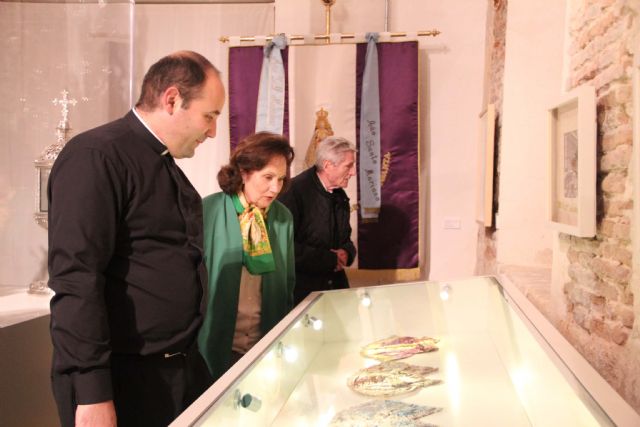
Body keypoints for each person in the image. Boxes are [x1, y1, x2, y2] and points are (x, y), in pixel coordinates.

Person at [48, 51, 225, 427]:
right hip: (124, 379)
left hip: (175, 369)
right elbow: (77, 279)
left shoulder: (162, 160)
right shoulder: (96, 156)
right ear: (172, 100)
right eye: (209, 116)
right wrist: (93, 392)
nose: (212, 132)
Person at [198, 131, 295, 381]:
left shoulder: (283, 217)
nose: (276, 188)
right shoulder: (208, 211)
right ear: (244, 172)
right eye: (268, 177)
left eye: (281, 179)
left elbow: (287, 285)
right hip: (216, 346)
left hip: (264, 346)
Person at [278, 136, 357, 305]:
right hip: (303, 294)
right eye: (348, 166)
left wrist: (347, 252)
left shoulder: (339, 195)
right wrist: (329, 260)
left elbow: (345, 239)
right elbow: (283, 247)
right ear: (328, 165)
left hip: (335, 289)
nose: (353, 172)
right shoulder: (294, 192)